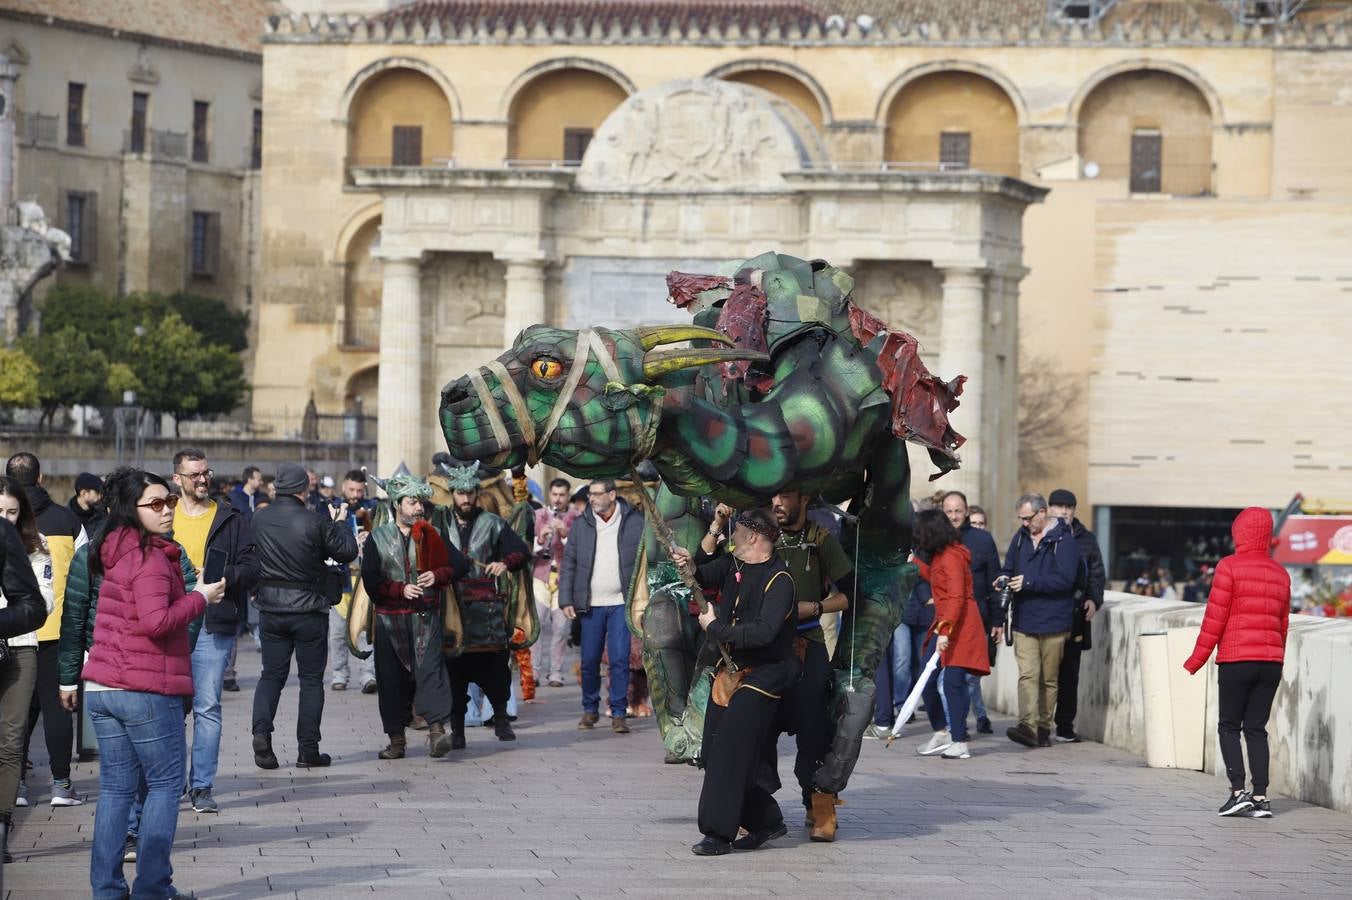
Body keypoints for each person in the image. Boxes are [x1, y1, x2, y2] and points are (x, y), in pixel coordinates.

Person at [78, 468, 226, 900]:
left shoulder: (115, 549)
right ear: (131, 509)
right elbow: (156, 621)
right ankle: (153, 888)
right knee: (163, 786)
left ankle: (107, 890)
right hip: (144, 688)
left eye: (169, 501)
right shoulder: (150, 558)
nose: (167, 510)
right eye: (156, 504)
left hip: (106, 686)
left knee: (115, 790)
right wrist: (201, 597)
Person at [671, 508, 798, 856]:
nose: (732, 537)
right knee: (713, 755)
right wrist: (690, 564)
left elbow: (765, 633)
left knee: (728, 748)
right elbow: (702, 569)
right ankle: (766, 819)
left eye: (736, 532)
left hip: (765, 675)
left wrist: (717, 629)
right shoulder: (735, 565)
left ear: (753, 538)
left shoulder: (780, 580)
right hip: (730, 672)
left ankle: (717, 833)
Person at [1184, 508, 1290, 819]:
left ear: (1239, 533)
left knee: (1229, 726)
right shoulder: (1281, 573)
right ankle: (1260, 797)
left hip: (1237, 658)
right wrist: (1276, 655)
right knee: (1257, 728)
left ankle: (1237, 792)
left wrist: (1196, 660)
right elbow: (1282, 624)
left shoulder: (1229, 567)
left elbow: (1214, 619)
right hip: (1271, 661)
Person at [251, 462, 358, 770]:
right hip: (309, 609)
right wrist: (338, 522)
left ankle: (261, 734)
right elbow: (347, 551)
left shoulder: (259, 518)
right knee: (311, 680)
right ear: (303, 489)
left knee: (271, 676)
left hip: (270, 608)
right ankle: (307, 750)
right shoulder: (315, 521)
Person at [170, 448, 257, 813]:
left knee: (208, 706)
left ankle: (202, 787)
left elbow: (253, 566)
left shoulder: (231, 518)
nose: (203, 479)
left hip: (212, 620)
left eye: (206, 473)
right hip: (169, 621)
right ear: (178, 479)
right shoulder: (162, 513)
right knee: (169, 708)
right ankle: (170, 782)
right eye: (195, 475)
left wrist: (223, 576)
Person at [764, 489, 853, 841]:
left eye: (784, 497)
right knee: (756, 729)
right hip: (764, 648)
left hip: (808, 643)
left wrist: (815, 608)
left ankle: (818, 805)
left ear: (803, 499)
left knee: (815, 730)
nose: (776, 504)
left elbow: (849, 593)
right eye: (772, 497)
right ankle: (754, 807)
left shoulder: (821, 539)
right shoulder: (758, 535)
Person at [360, 474, 469, 760]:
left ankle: (436, 732)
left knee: (431, 673)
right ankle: (396, 740)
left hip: (425, 618)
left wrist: (439, 574)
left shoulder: (432, 534)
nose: (418, 507)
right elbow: (371, 582)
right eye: (412, 502)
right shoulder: (378, 538)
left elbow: (460, 566)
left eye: (420, 501)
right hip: (389, 619)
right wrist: (398, 588)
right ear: (398, 504)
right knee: (391, 680)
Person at [5, 452, 86, 810]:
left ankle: (17, 784)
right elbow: (85, 572)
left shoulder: (11, 523)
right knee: (58, 709)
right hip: (56, 630)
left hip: (12, 635)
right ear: (40, 479)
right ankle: (60, 784)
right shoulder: (68, 520)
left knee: (16, 712)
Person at [433, 462, 531, 750]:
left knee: (495, 669)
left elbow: (520, 551)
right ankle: (458, 730)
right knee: (454, 673)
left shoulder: (492, 523)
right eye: (460, 494)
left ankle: (501, 719)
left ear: (477, 494)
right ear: (452, 494)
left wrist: (505, 562)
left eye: (469, 493)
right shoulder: (440, 525)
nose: (465, 499)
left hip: (486, 609)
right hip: (452, 607)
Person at [559, 479, 645, 734]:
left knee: (619, 659)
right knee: (589, 660)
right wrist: (566, 599)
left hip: (621, 602)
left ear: (612, 495)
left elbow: (646, 559)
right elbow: (569, 563)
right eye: (590, 494)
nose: (592, 498)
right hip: (590, 604)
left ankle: (619, 712)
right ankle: (590, 709)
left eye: (597, 494)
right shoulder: (581, 524)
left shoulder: (634, 521)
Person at [0, 480, 55, 862]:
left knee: (11, 740)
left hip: (20, 648)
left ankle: (2, 825)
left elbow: (43, 602)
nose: (4, 518)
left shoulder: (38, 547)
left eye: (11, 511)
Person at [998, 492, 1080, 749]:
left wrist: (1031, 583)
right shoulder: (1020, 539)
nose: (1024, 523)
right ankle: (1027, 726)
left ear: (1042, 513)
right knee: (1028, 675)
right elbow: (1008, 567)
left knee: (1049, 679)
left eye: (1027, 518)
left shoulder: (1064, 541)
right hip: (1024, 619)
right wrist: (1003, 578)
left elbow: (1066, 580)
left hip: (1055, 621)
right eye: (1021, 518)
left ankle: (1044, 726)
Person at [911, 509, 992, 762]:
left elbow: (956, 596)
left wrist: (945, 631)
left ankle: (958, 741)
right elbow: (939, 580)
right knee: (927, 677)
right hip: (948, 624)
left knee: (952, 683)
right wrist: (914, 564)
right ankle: (943, 732)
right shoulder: (944, 556)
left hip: (959, 627)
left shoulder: (951, 557)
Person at [1046, 489, 1106, 744]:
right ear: (1049, 509)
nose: (1064, 511)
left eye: (1069, 507)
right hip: (1047, 614)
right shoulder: (1043, 535)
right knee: (1044, 673)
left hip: (1075, 614)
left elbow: (1096, 573)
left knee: (1070, 673)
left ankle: (1064, 725)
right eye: (1059, 506)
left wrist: (1093, 599)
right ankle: (1039, 722)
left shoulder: (1086, 538)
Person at [940, 491, 1002, 736]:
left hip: (976, 619)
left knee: (965, 679)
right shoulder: (937, 539)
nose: (954, 516)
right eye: (949, 511)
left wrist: (998, 619)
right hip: (943, 619)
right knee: (944, 680)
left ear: (966, 511)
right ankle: (951, 725)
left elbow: (994, 581)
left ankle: (957, 727)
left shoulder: (982, 540)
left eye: (958, 511)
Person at [329, 470, 377, 693]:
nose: (356, 495)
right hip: (341, 581)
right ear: (343, 487)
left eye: (359, 490)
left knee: (365, 630)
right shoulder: (332, 510)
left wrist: (372, 535)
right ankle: (339, 674)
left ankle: (368, 675)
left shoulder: (373, 509)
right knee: (338, 634)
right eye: (351, 490)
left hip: (364, 583)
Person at [532, 478, 576, 688]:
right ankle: (534, 671)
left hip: (564, 578)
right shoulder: (540, 515)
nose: (557, 499)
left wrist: (566, 536)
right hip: (540, 575)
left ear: (568, 496)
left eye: (562, 495)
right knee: (537, 625)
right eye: (555, 495)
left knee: (561, 627)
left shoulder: (575, 517)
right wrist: (541, 539)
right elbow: (528, 547)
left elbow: (579, 550)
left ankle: (556, 673)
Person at [67, 472, 106, 538]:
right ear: (84, 493)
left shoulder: (101, 516)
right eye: (98, 492)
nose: (101, 496)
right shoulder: (66, 517)